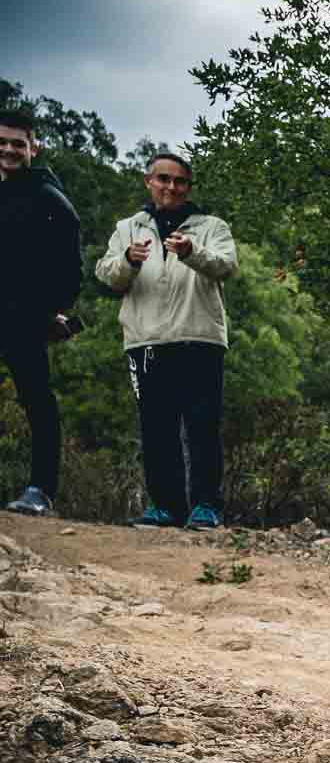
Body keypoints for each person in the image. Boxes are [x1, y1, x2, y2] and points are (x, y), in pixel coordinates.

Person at [95, 151, 236, 530]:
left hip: (199, 338)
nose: (171, 187)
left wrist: (192, 252)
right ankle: (165, 507)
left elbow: (227, 265)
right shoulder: (128, 228)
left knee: (203, 426)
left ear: (189, 187)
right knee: (156, 427)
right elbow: (106, 274)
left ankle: (205, 506)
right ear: (148, 182)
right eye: (163, 179)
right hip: (146, 341)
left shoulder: (212, 226)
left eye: (180, 181)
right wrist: (128, 260)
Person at [1, 108, 83, 517]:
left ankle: (41, 490)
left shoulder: (47, 195)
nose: (9, 150)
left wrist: (52, 309)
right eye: (2, 142)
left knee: (36, 400)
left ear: (34, 148)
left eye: (18, 143)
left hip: (23, 317)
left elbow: (71, 261)